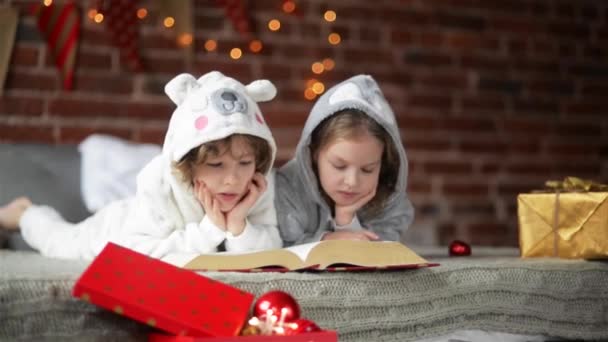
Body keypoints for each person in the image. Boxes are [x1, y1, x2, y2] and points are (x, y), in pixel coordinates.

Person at [0, 71, 282, 260]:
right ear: (188, 164)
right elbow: (138, 254)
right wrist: (208, 231)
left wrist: (238, 226)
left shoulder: (254, 186)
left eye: (244, 162)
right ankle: (24, 213)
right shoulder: (157, 182)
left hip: (149, 227)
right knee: (59, 242)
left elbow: (269, 251)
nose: (233, 178)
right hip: (117, 229)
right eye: (217, 164)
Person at [275, 74, 414, 246]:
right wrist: (326, 241)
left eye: (367, 169)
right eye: (339, 166)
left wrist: (346, 221)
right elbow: (276, 249)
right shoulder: (287, 187)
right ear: (314, 154)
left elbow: (379, 257)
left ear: (383, 164)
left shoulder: (390, 199)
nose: (352, 181)